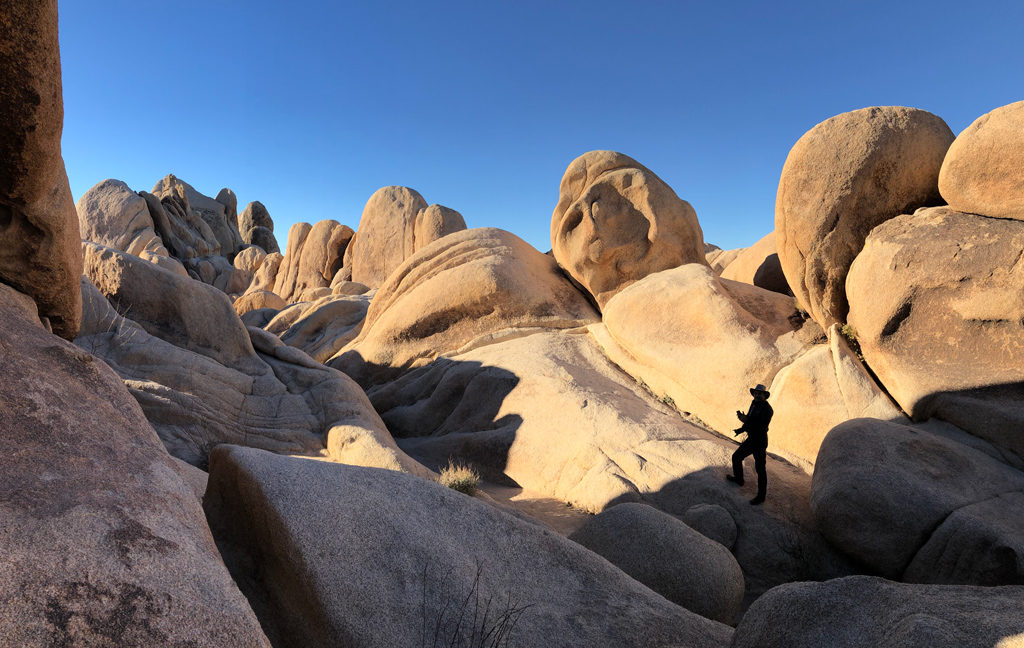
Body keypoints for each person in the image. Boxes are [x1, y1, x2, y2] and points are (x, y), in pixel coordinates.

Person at [726, 384, 773, 505]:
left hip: (759, 442)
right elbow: (750, 420)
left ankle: (761, 497)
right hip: (751, 439)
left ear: (764, 395)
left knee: (760, 469)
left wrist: (746, 420)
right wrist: (741, 429)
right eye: (756, 393)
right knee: (736, 457)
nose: (757, 395)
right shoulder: (753, 404)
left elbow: (761, 427)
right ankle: (739, 479)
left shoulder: (768, 410)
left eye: (760, 393)